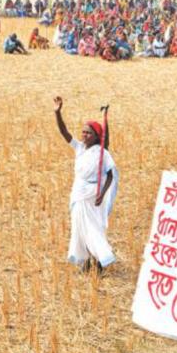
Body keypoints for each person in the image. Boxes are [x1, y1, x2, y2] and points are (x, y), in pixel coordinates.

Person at [53, 96, 118, 272]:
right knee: (79, 228)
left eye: (88, 133)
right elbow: (64, 132)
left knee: (92, 229)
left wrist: (102, 194)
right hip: (78, 193)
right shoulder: (80, 148)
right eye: (83, 132)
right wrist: (57, 113)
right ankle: (86, 261)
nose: (84, 135)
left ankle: (101, 259)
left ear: (96, 137)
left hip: (93, 196)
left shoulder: (102, 152)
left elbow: (111, 176)